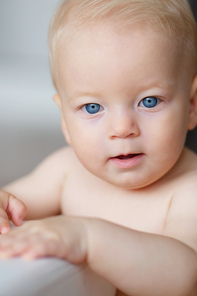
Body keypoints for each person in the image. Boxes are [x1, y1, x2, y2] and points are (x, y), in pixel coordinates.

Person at [1, 0, 197, 295]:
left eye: (149, 101)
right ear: (64, 120)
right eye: (92, 107)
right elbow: (13, 205)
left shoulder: (188, 191)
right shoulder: (65, 171)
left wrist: (88, 239)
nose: (122, 129)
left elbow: (182, 277)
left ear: (192, 105)